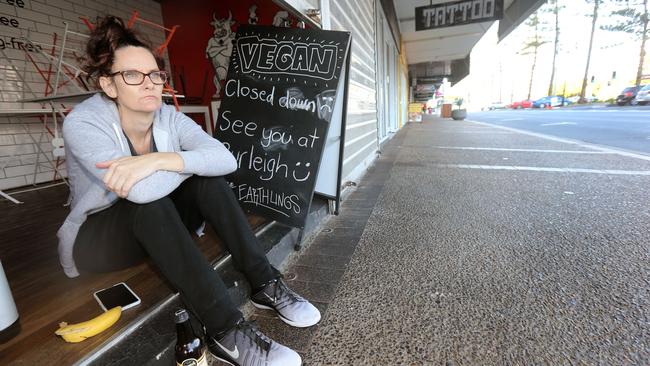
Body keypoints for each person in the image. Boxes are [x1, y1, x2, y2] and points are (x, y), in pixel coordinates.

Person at [57, 16, 319, 366]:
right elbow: (141, 194)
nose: (149, 84)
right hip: (101, 236)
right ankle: (226, 332)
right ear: (108, 84)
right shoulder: (84, 122)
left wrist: (158, 160)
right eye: (132, 76)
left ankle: (265, 285)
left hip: (157, 224)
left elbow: (225, 159)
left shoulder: (168, 117)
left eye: (155, 74)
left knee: (208, 181)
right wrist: (186, 163)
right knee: (152, 201)